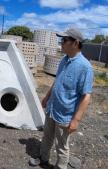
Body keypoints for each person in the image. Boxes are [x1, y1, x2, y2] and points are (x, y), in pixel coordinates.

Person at [29, 28, 94, 169]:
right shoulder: (64, 60)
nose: (61, 43)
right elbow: (57, 81)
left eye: (64, 40)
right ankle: (43, 158)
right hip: (52, 108)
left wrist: (76, 120)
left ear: (76, 43)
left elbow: (86, 96)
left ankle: (61, 166)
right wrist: (47, 97)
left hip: (65, 115)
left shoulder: (85, 67)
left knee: (62, 145)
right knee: (46, 137)